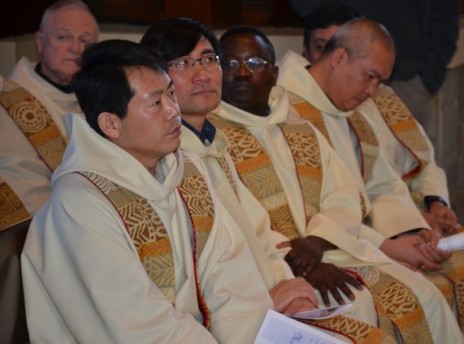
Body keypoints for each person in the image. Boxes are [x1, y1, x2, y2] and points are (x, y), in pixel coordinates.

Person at [139, 17, 395, 343]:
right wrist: (271, 299)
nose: (201, 74)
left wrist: (291, 284)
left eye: (207, 60)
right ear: (156, 80)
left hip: (266, 294)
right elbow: (197, 276)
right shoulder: (166, 164)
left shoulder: (211, 145)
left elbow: (258, 231)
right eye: (183, 63)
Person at [214, 24, 464, 343]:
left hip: (329, 247)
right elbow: (237, 219)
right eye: (228, 63)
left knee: (426, 296)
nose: (241, 74)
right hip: (275, 267)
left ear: (274, 74)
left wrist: (319, 240)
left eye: (254, 64)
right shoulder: (212, 137)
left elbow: (346, 194)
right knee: (358, 307)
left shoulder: (294, 122)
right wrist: (299, 263)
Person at [279, 11, 464, 344]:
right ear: (338, 57)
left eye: (380, 82)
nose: (373, 92)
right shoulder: (286, 112)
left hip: (364, 236)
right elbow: (313, 208)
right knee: (425, 298)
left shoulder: (351, 108)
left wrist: (418, 232)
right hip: (329, 244)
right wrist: (389, 246)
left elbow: (382, 184)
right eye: (369, 77)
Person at [21, 39, 274, 343]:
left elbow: (232, 278)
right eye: (156, 103)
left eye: (171, 95)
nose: (173, 112)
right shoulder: (79, 205)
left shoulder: (188, 173)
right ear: (111, 124)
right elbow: (134, 324)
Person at [289, 0, 460, 145]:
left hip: (407, 81)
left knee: (410, 170)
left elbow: (444, 14)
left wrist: (427, 78)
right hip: (338, 77)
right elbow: (303, 5)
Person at [0, 0, 99, 219]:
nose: (75, 48)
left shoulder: (103, 102)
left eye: (85, 40)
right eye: (62, 37)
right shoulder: (7, 101)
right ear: (40, 42)